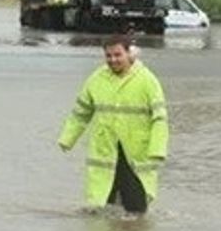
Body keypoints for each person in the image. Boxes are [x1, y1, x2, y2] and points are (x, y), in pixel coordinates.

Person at [58, 36, 169, 214]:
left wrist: (158, 149)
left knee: (136, 211)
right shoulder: (96, 79)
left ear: (129, 53)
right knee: (102, 210)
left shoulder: (147, 80)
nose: (113, 60)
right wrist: (67, 138)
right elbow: (81, 113)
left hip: (135, 153)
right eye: (108, 56)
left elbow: (159, 119)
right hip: (105, 151)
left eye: (118, 55)